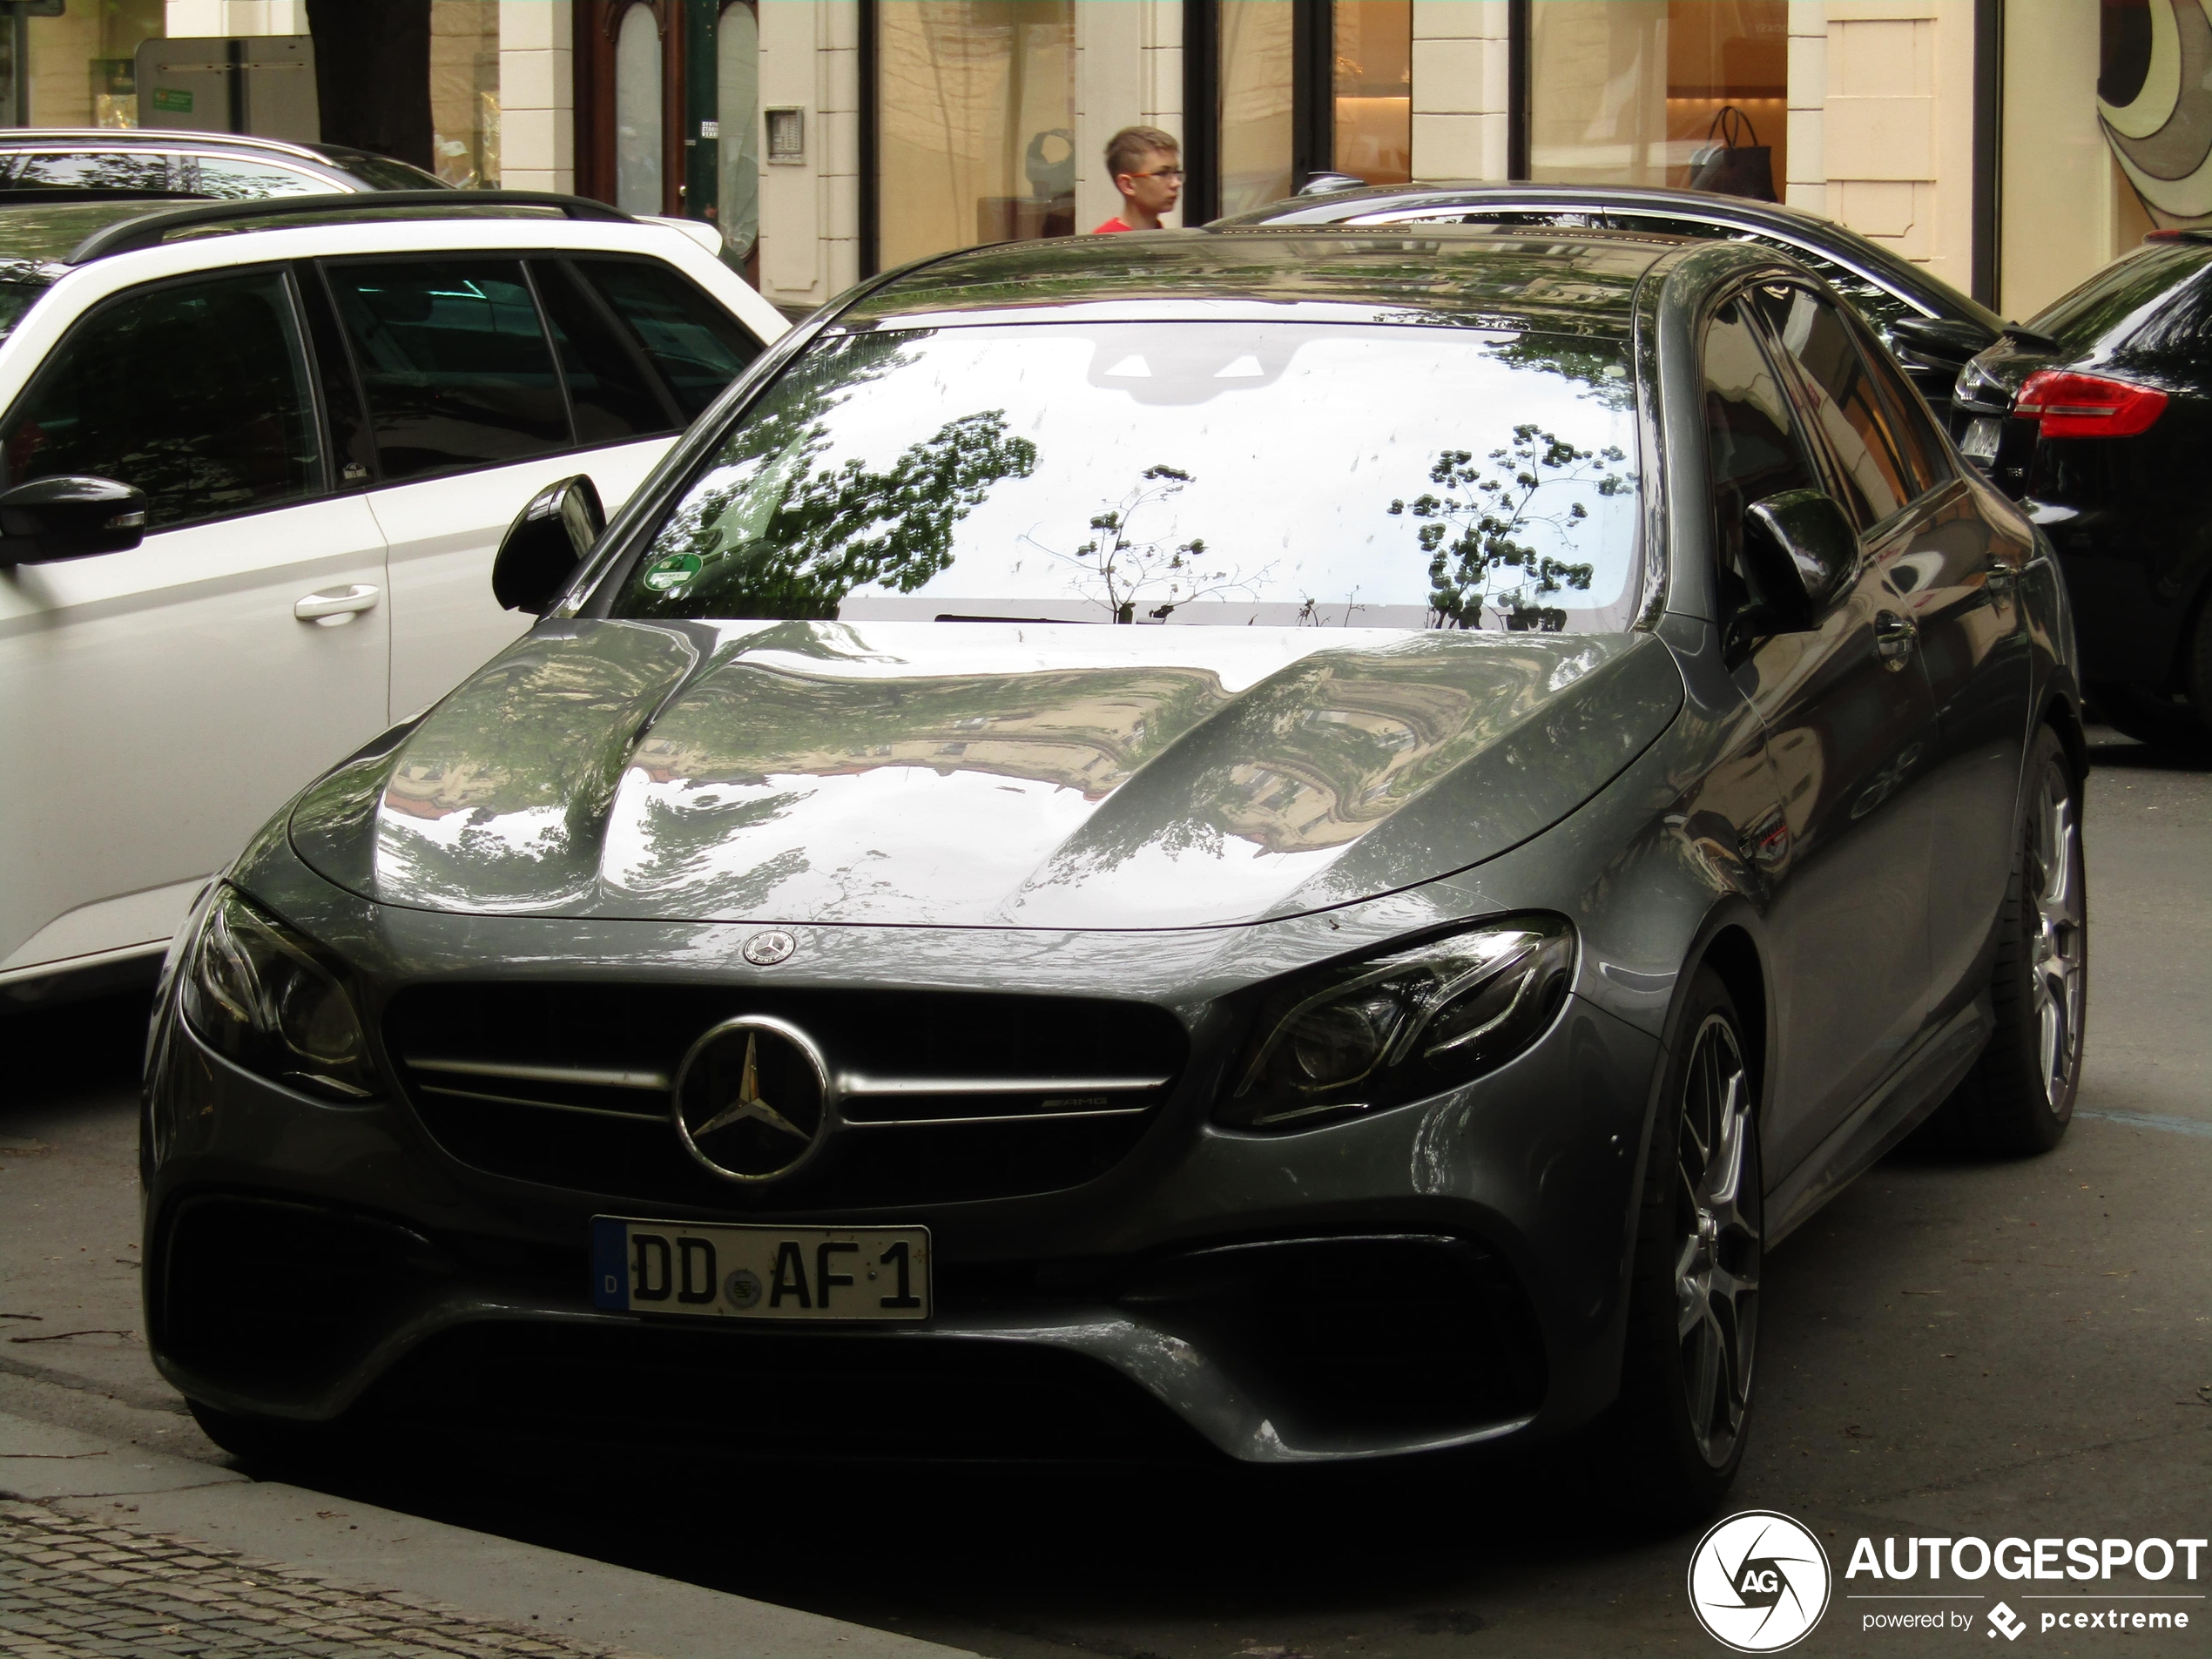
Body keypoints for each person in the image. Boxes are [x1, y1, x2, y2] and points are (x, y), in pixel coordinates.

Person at [1094, 126, 1182, 233]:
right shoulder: (1108, 244)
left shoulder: (1162, 237)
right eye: (1162, 173)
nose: (1176, 183)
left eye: (1176, 172)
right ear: (1128, 185)